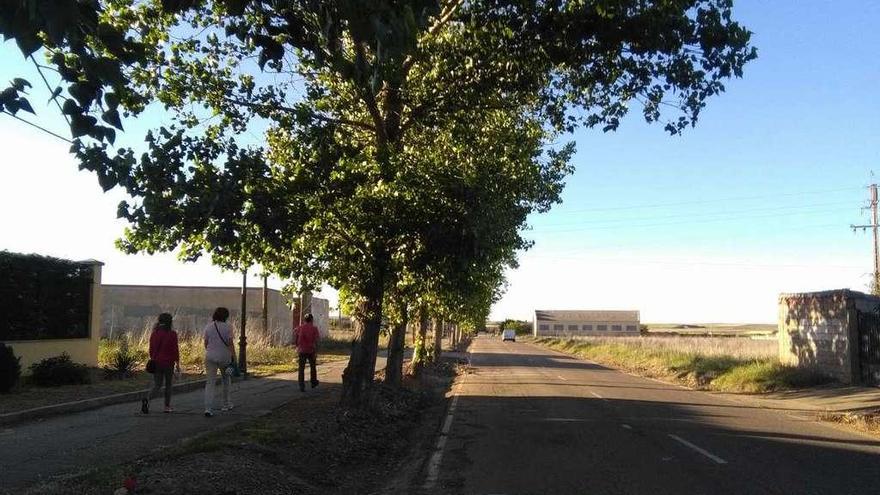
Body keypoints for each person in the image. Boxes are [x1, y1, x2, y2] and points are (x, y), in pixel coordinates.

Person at [142, 313, 180, 414]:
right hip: (168, 363)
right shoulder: (172, 334)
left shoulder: (154, 333)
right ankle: (167, 407)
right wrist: (178, 363)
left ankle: (147, 399)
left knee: (157, 385)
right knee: (168, 385)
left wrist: (153, 358)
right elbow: (175, 350)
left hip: (157, 362)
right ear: (170, 322)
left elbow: (151, 349)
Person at [203, 307, 236, 417]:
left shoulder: (209, 326)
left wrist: (210, 351)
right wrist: (234, 357)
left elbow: (206, 343)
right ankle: (226, 404)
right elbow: (230, 343)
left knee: (210, 383)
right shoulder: (228, 327)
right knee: (226, 380)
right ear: (226, 316)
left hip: (210, 357)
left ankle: (208, 408)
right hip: (224, 357)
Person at [293, 313, 320, 392]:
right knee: (313, 367)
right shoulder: (314, 328)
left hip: (302, 350)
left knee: (301, 368)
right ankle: (313, 382)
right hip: (311, 350)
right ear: (312, 320)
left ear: (304, 320)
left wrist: (297, 346)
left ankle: (301, 385)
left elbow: (296, 337)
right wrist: (316, 351)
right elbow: (316, 341)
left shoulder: (300, 327)